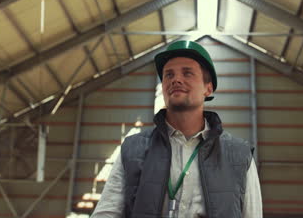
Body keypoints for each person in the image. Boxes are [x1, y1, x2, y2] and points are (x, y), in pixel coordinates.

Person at [91, 40, 262, 218]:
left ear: (208, 88)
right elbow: (107, 213)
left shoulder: (239, 155)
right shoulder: (133, 149)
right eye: (168, 75)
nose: (176, 80)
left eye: (187, 73)